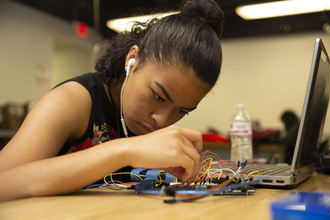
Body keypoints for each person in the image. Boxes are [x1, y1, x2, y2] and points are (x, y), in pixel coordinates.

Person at [0, 0, 224, 201]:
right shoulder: (70, 102)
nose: (162, 119)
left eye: (182, 110)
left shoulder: (142, 120)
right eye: (157, 95)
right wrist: (125, 150)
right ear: (132, 59)